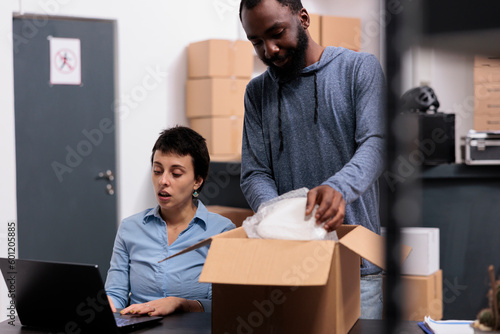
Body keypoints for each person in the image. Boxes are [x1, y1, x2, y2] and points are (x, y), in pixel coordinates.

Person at [238, 0, 386, 319]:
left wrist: (339, 189)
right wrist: (283, 216)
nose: (270, 50)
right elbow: (254, 174)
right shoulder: (256, 93)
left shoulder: (359, 69)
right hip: (289, 271)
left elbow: (376, 144)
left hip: (358, 271)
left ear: (303, 19)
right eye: (256, 42)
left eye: (277, 33)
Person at [105, 126, 235, 316]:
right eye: (157, 171)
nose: (163, 181)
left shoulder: (222, 232)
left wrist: (182, 304)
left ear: (197, 181)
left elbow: (226, 305)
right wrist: (106, 304)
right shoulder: (130, 228)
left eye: (176, 174)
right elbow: (115, 293)